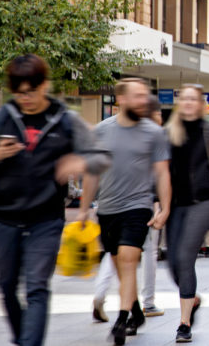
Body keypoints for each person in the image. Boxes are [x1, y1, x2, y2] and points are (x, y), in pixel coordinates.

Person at [0, 55, 112, 346]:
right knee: (6, 287)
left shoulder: (65, 119)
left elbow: (102, 157)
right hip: (5, 218)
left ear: (44, 85)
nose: (26, 99)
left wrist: (79, 162)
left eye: (31, 91)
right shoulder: (2, 117)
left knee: (36, 287)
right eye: (20, 93)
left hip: (45, 220)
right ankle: (25, 338)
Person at [79, 79, 171, 344]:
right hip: (107, 209)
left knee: (129, 260)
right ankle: (136, 310)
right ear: (120, 100)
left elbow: (162, 173)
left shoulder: (154, 133)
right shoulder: (100, 131)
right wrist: (84, 210)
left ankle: (122, 320)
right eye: (136, 96)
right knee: (120, 264)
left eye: (145, 96)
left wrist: (164, 207)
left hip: (138, 207)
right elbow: (92, 174)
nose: (143, 101)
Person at [164, 84, 209, 343]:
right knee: (172, 264)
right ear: (180, 103)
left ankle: (184, 323)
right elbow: (161, 171)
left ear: (201, 104)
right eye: (185, 99)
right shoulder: (169, 133)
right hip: (175, 204)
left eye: (194, 99)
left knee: (185, 257)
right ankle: (192, 299)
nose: (189, 103)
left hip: (202, 202)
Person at [93, 98, 168, 324]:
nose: (159, 120)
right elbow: (159, 174)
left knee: (117, 255)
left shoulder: (120, 132)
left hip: (115, 204)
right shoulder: (150, 135)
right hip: (141, 206)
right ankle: (146, 302)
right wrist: (161, 205)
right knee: (142, 255)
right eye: (158, 115)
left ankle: (107, 297)